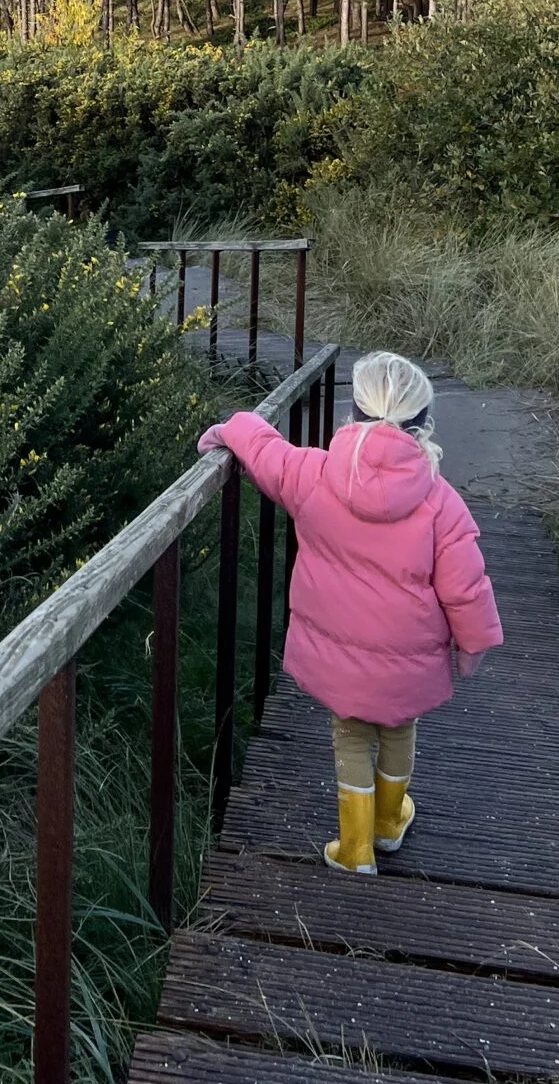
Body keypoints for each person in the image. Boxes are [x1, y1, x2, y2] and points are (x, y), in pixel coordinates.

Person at [197, 350, 502, 876]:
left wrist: (231, 428)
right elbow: (466, 587)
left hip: (339, 656)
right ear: (423, 423)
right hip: (409, 660)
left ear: (353, 412)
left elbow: (266, 453)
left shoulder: (315, 474)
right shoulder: (442, 503)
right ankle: (389, 824)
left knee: (352, 736)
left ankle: (355, 849)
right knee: (400, 729)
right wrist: (472, 646)